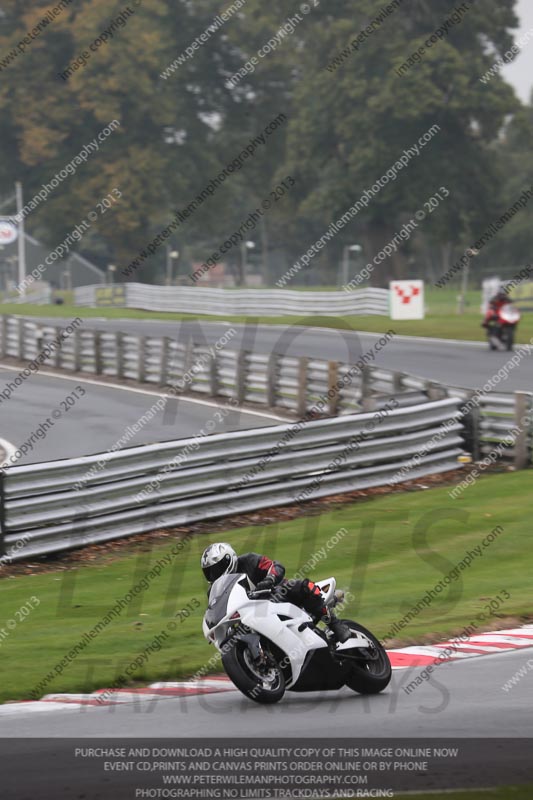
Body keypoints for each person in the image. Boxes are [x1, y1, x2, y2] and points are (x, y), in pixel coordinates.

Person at [200, 542, 352, 643]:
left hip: (277, 595)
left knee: (303, 586)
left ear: (229, 559)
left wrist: (270, 579)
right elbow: (217, 610)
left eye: (217, 569)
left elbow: (275, 566)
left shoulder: (248, 560)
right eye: (210, 573)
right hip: (252, 616)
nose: (215, 575)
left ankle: (335, 624)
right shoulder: (215, 590)